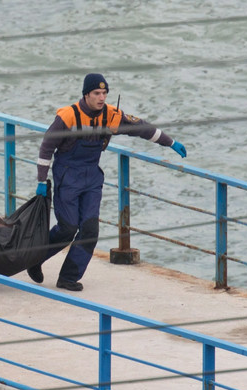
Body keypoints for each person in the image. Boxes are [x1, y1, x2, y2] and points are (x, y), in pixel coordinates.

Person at [27, 73, 187, 291]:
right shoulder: (68, 116)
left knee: (90, 230)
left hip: (92, 178)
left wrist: (170, 142)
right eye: (96, 93)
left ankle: (68, 278)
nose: (101, 98)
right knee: (68, 227)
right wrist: (41, 180)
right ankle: (34, 258)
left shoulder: (112, 115)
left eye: (104, 93)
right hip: (68, 176)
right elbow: (47, 147)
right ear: (86, 95)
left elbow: (141, 128)